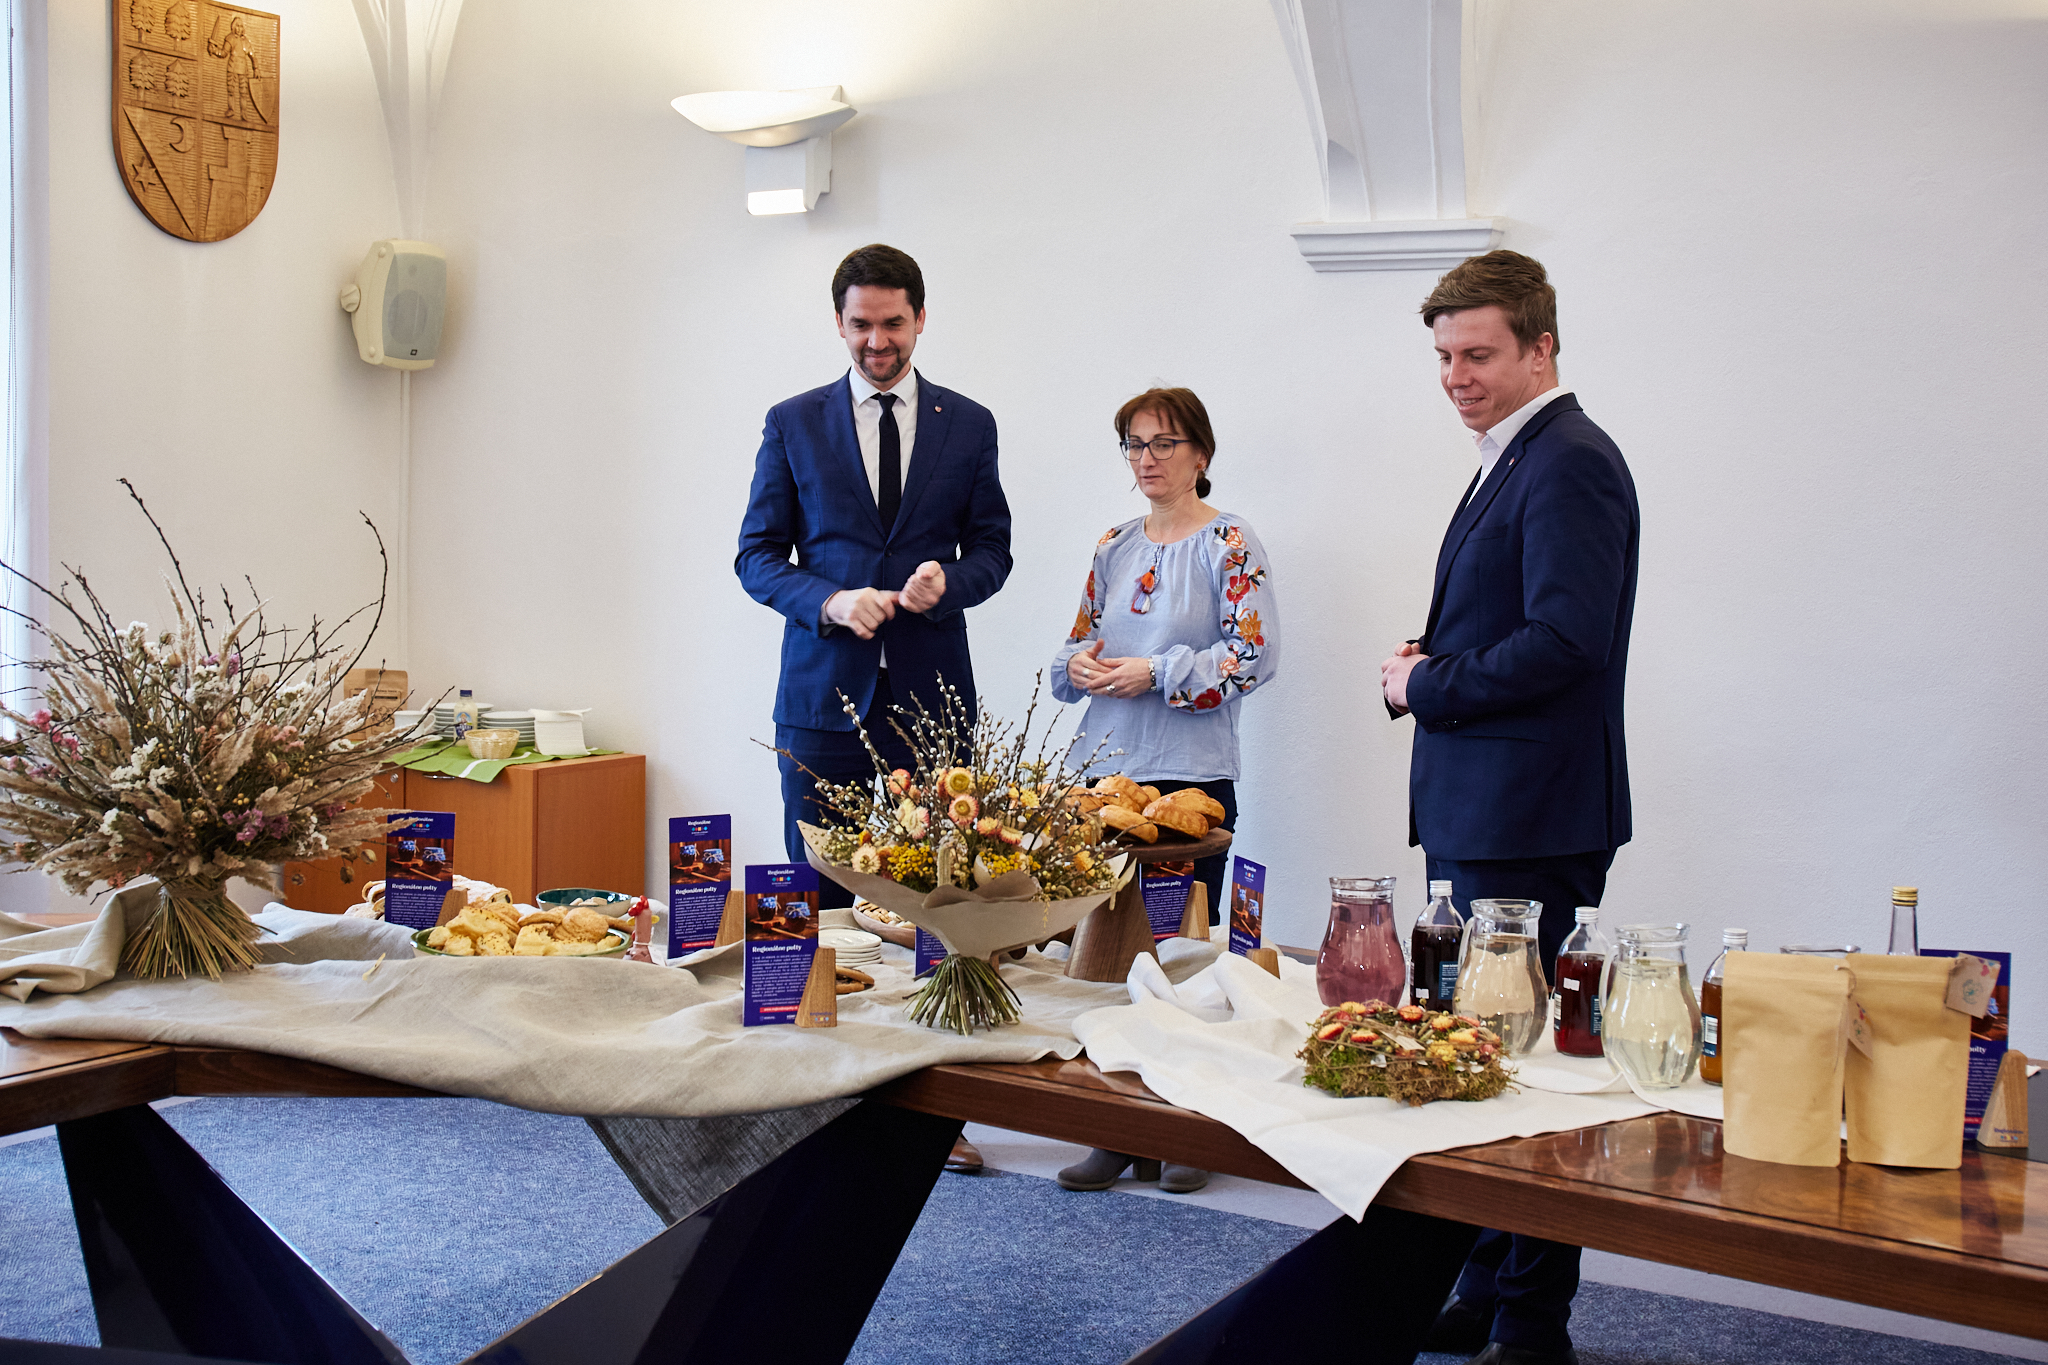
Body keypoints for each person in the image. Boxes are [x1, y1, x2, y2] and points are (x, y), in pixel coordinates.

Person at [1381, 250, 1639, 1365]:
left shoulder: (1569, 459)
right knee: (1483, 1056)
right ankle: (1488, 1289)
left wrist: (1426, 683)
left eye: (1477, 353)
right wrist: (1430, 655)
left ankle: (1534, 1323)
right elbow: (1512, 621)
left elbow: (1566, 642)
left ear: (1541, 348)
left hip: (1530, 814)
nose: (1455, 375)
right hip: (1486, 806)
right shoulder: (1514, 458)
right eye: (1443, 355)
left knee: (1528, 1068)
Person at [736, 243, 1012, 1174]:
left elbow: (994, 550)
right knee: (812, 893)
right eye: (861, 325)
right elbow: (756, 556)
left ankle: (939, 1110)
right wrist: (828, 599)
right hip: (822, 701)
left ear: (920, 318)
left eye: (893, 323)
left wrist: (949, 582)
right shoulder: (792, 421)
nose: (877, 341)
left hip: (932, 703)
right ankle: (797, 1095)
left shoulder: (967, 424)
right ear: (839, 322)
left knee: (941, 903)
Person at [1048, 386, 1279, 1198]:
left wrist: (1158, 670)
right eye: (1134, 444)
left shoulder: (1229, 542)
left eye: (1164, 443)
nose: (1147, 458)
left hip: (1188, 784)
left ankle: (1188, 1127)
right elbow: (1078, 641)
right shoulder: (1113, 544)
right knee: (1108, 960)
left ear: (1200, 454)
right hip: (1103, 778)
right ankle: (1115, 1128)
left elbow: (1252, 656)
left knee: (1181, 962)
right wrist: (1078, 665)